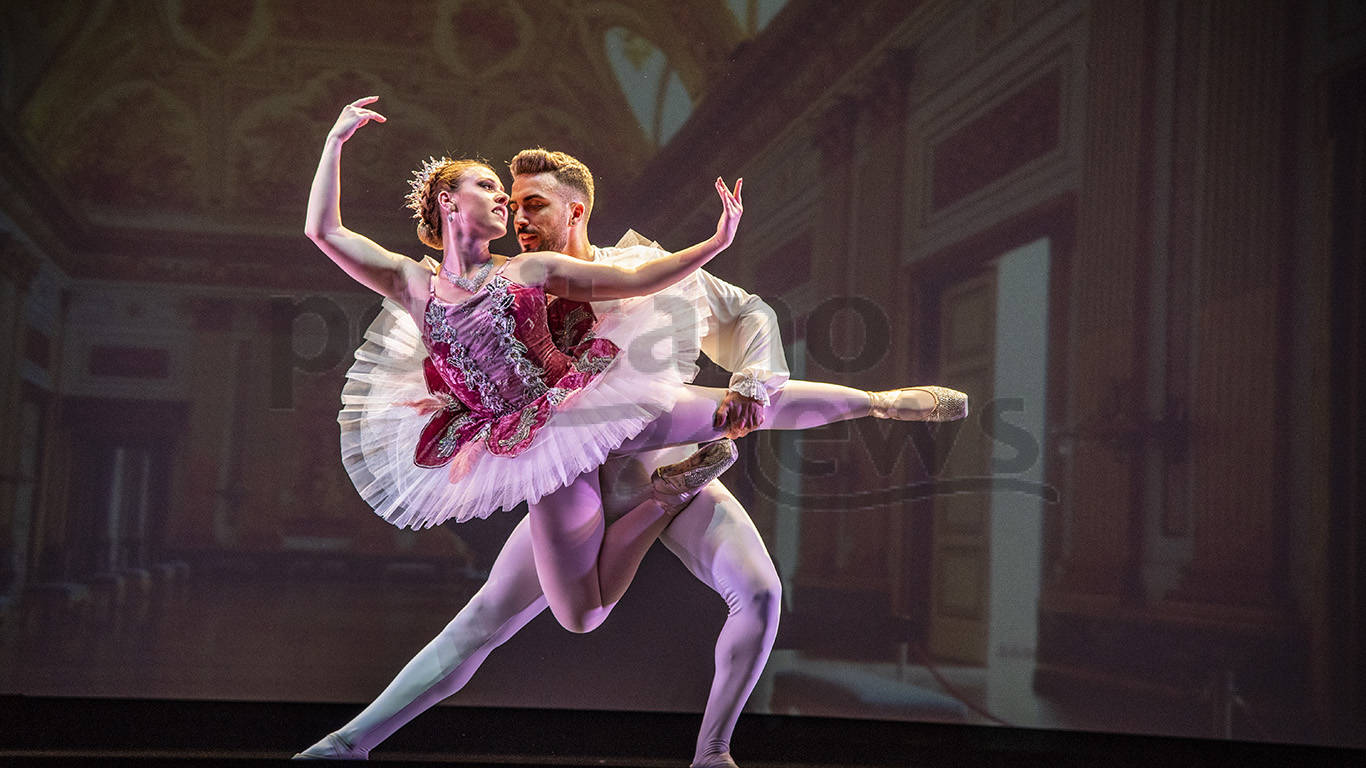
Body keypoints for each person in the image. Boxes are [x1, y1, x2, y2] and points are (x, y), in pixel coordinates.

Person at [296, 98, 966, 764]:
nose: (514, 214)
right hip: (551, 456)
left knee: (745, 505)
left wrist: (717, 256)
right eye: (501, 195)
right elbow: (326, 232)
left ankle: (713, 749)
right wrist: (335, 140)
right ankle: (347, 744)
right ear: (448, 203)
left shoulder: (556, 270)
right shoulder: (424, 283)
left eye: (528, 203)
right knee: (526, 620)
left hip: (615, 432)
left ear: (574, 209)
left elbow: (729, 309)